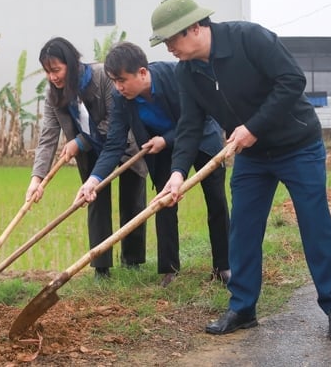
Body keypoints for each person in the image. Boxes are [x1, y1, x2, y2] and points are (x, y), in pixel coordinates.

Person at [150, 0, 331, 342]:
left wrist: (254, 127)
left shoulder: (249, 38)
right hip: (252, 157)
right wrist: (177, 172)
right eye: (165, 42)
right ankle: (243, 307)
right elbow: (189, 124)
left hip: (298, 146)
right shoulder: (187, 72)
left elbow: (292, 80)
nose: (169, 48)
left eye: (172, 39)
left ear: (196, 28)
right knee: (242, 229)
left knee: (315, 223)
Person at [76, 41, 230, 288]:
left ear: (143, 73)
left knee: (216, 201)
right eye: (113, 81)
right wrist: (93, 181)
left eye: (122, 80)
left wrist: (166, 138)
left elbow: (199, 118)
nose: (118, 87)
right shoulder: (121, 98)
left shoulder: (176, 76)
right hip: (163, 150)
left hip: (201, 138)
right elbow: (114, 145)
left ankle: (223, 266)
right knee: (164, 203)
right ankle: (169, 269)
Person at [25, 37, 147, 278]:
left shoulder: (103, 76)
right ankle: (101, 267)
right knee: (95, 202)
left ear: (70, 64)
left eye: (56, 70)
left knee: (132, 201)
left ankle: (132, 263)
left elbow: (115, 121)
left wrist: (79, 141)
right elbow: (48, 136)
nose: (53, 77)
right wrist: (36, 179)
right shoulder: (54, 95)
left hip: (123, 145)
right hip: (91, 153)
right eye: (47, 72)